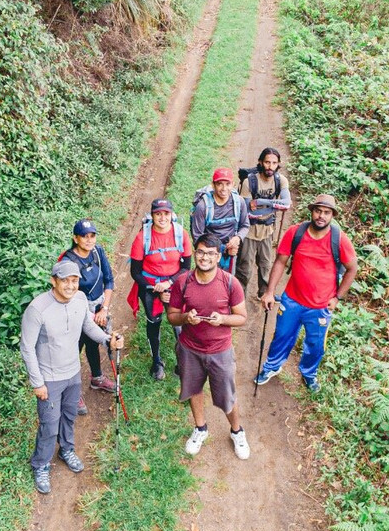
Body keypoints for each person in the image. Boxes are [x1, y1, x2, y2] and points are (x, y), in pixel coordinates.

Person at [20, 260, 123, 494]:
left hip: (73, 372)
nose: (70, 285)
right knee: (49, 423)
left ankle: (66, 449)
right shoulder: (38, 309)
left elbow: (88, 326)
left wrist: (107, 339)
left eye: (74, 280)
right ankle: (41, 464)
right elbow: (27, 348)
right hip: (50, 377)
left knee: (69, 415)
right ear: (53, 281)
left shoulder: (79, 299)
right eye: (64, 280)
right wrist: (38, 382)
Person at [254, 194, 360, 394]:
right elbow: (280, 261)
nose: (321, 216)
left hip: (321, 306)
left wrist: (337, 298)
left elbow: (352, 268)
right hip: (292, 299)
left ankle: (309, 373)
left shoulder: (339, 239)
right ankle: (272, 367)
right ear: (311, 211)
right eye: (318, 211)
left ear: (332, 215)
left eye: (327, 213)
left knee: (316, 343)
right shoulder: (296, 232)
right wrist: (269, 292)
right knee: (282, 336)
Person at [167, 234, 250, 458]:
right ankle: (200, 428)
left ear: (219, 256)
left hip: (220, 350)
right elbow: (172, 316)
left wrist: (222, 319)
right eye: (201, 252)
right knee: (193, 389)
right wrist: (186, 318)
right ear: (195, 253)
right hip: (189, 349)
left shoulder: (230, 283)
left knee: (227, 396)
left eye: (211, 253)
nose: (205, 257)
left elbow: (241, 317)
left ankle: (237, 431)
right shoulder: (183, 282)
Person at [128, 199, 193, 380]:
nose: (162, 217)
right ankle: (156, 361)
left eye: (166, 213)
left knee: (178, 323)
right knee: (153, 322)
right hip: (149, 286)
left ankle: (183, 361)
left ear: (172, 214)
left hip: (174, 284)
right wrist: (155, 289)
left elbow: (186, 267)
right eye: (158, 214)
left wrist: (169, 285)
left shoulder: (181, 234)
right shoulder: (143, 237)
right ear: (153, 215)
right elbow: (135, 272)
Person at [57, 218, 116, 415]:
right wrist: (89, 315)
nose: (89, 240)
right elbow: (65, 292)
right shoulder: (68, 262)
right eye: (84, 236)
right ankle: (72, 393)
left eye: (92, 235)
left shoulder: (98, 252)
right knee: (74, 350)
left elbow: (109, 280)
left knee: (93, 344)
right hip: (74, 311)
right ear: (75, 238)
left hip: (98, 308)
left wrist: (104, 309)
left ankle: (97, 378)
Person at [236, 147, 291, 298]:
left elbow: (286, 204)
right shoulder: (249, 182)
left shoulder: (281, 181)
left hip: (267, 231)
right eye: (267, 162)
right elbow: (248, 211)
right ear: (261, 162)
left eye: (274, 163)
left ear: (278, 164)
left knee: (266, 266)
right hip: (249, 232)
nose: (270, 166)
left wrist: (260, 201)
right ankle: (239, 298)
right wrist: (274, 206)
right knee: (244, 268)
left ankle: (265, 294)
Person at [189, 168, 249, 273]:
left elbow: (245, 225)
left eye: (227, 184)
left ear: (233, 184)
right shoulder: (203, 207)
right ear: (213, 184)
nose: (224, 188)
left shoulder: (239, 202)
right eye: (219, 184)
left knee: (227, 283)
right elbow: (197, 236)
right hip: (209, 253)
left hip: (230, 252)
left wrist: (238, 238)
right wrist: (217, 250)